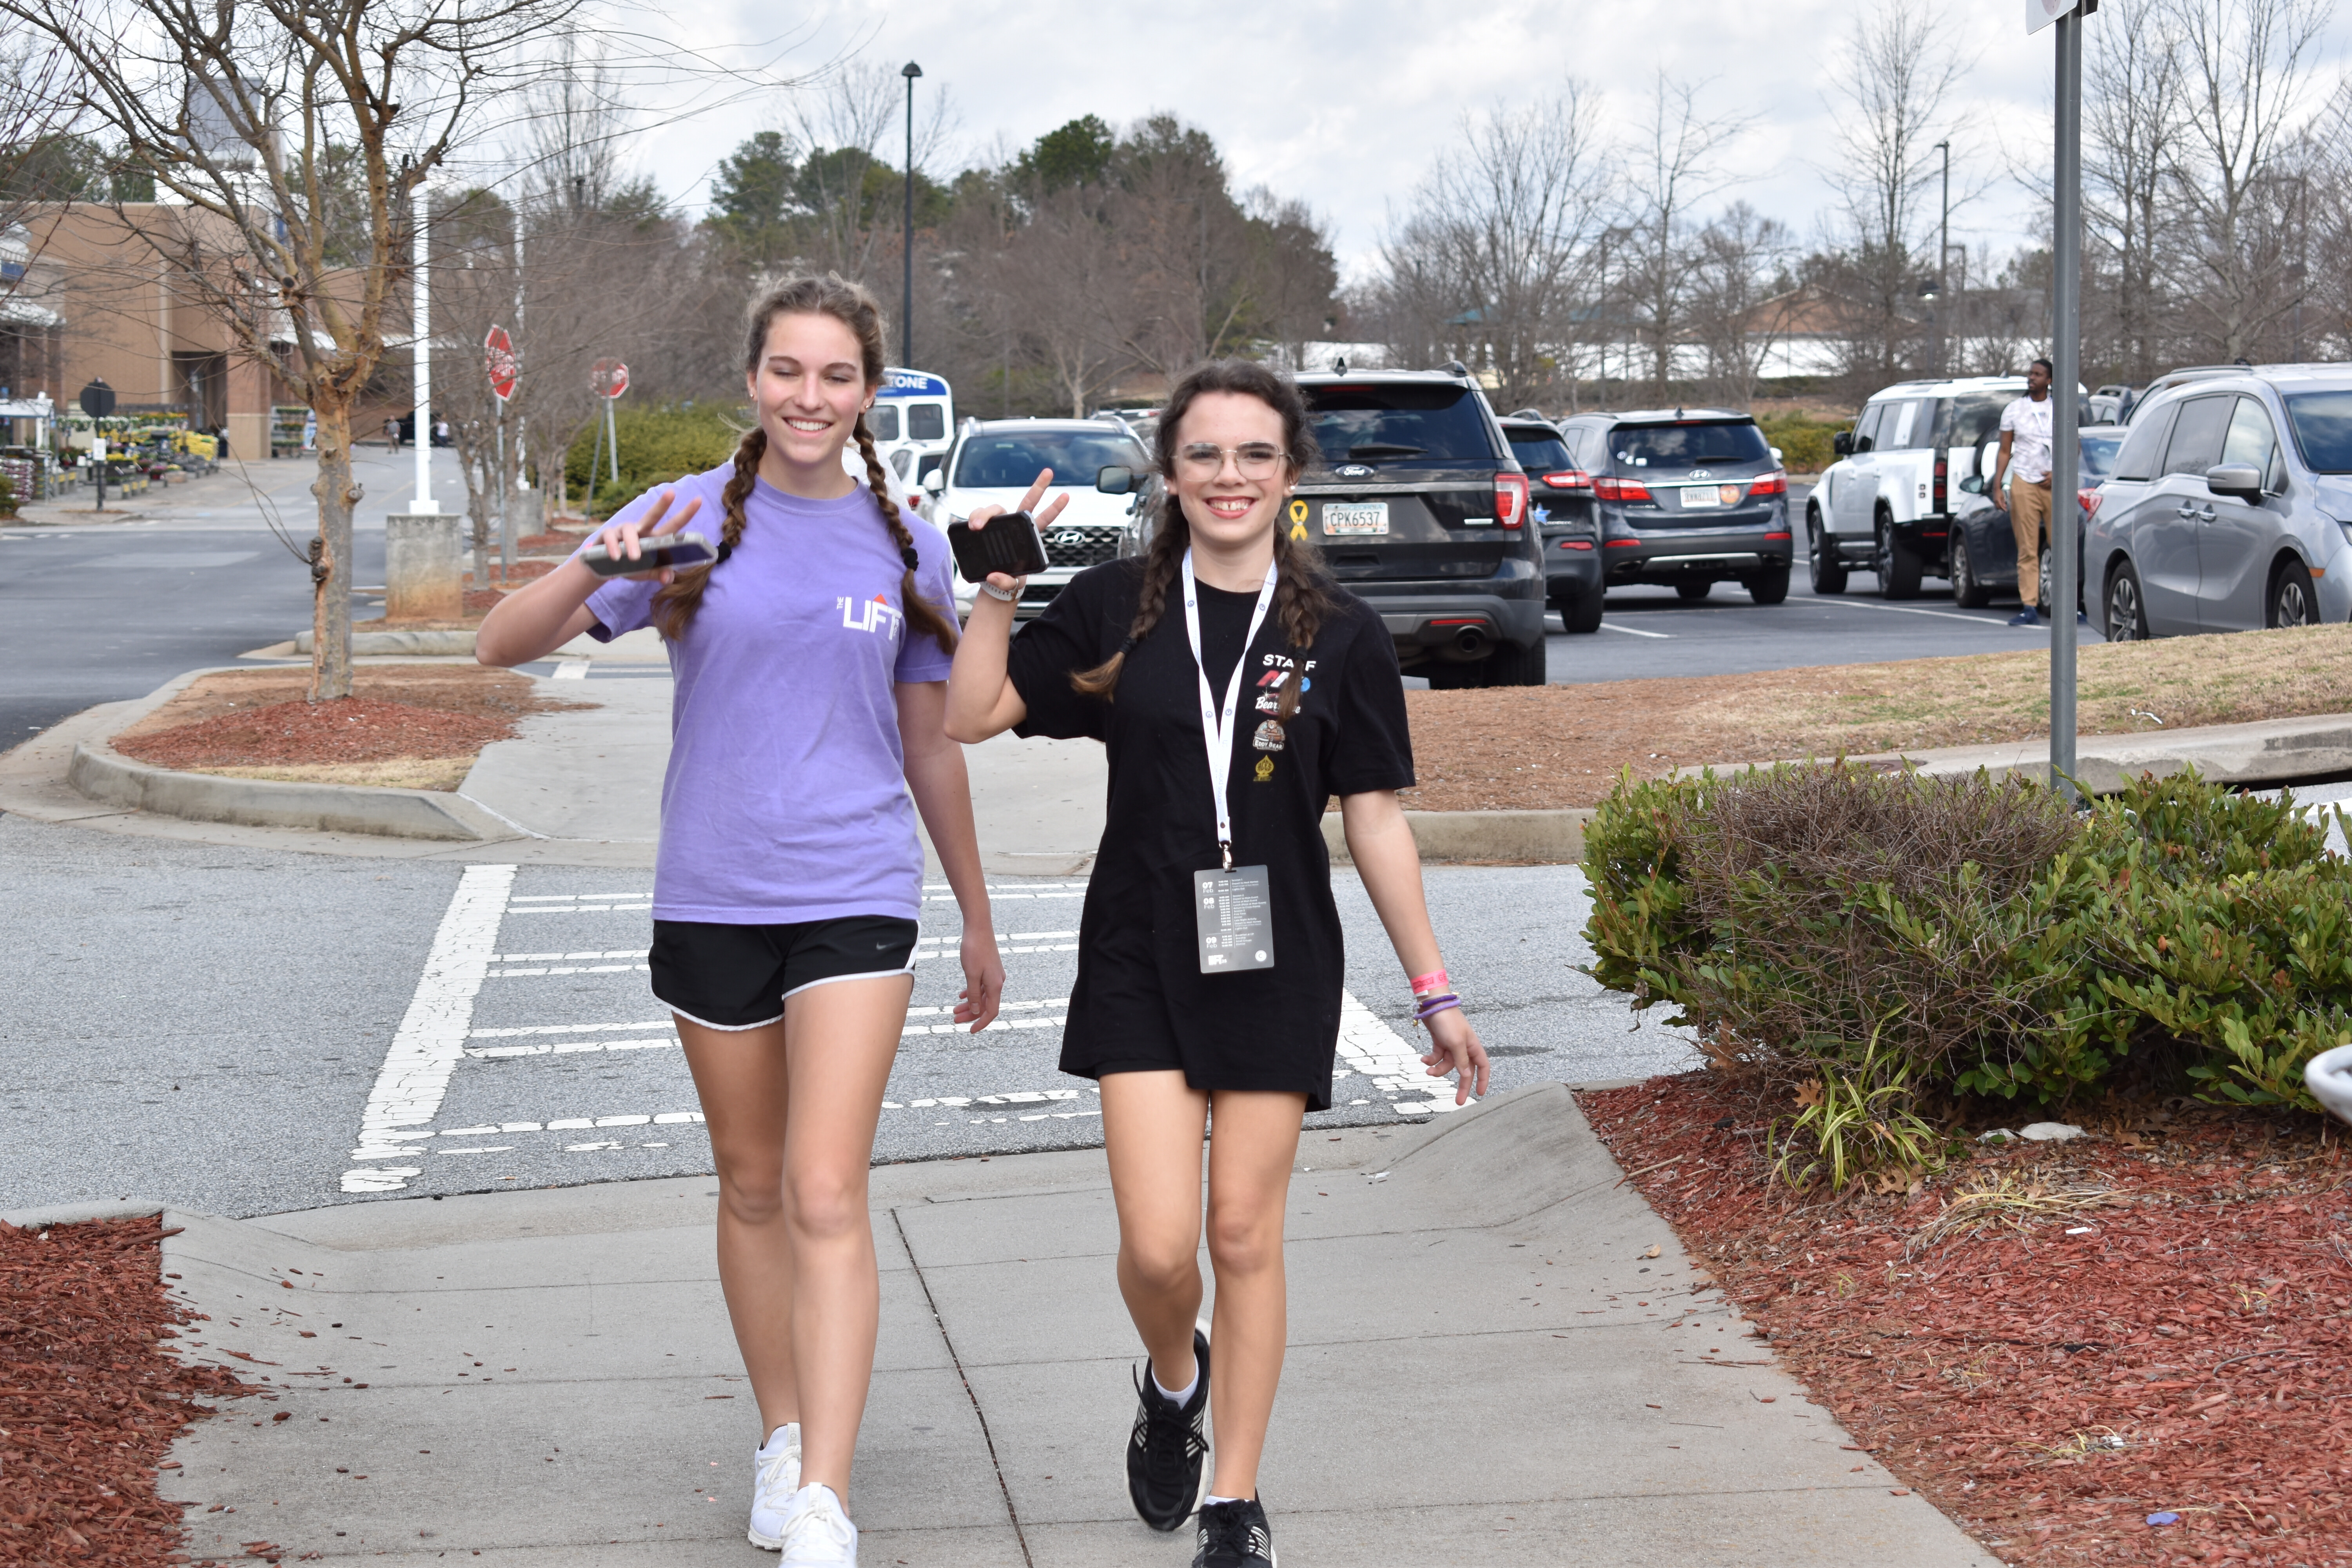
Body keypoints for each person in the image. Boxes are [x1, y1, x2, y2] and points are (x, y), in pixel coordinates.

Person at [475, 274, 1004, 1567]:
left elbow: (933, 747)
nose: (809, 397)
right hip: (711, 892)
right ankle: (782, 1438)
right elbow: (502, 644)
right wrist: (602, 556)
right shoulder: (683, 519)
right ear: (753, 380)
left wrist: (978, 920)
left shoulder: (907, 542)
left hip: (857, 894)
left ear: (869, 393)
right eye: (787, 371)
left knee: (828, 1185)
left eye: (836, 376)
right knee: (753, 1182)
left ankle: (825, 1492)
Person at [943, 359, 1490, 1568]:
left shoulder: (1338, 635)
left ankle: (1233, 1503)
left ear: (1288, 473)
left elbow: (1376, 820)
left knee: (1242, 1232)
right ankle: (1171, 1377)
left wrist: (1435, 992)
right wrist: (994, 584)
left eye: (1253, 454)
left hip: (1275, 952)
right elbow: (968, 714)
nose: (1228, 476)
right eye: (1203, 455)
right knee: (1158, 1248)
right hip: (1139, 940)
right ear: (1170, 474)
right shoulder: (1110, 607)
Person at [1993, 358, 2055, 627]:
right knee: (2027, 547)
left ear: (2049, 380)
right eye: (2030, 373)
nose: (2032, 378)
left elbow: (2073, 446)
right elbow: (2005, 450)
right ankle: (2029, 605)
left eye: (2038, 374)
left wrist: (2059, 473)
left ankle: (2068, 604)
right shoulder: (2014, 410)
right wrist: (1998, 485)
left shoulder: (2061, 407)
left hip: (2056, 484)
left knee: (2061, 547)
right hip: (2024, 482)